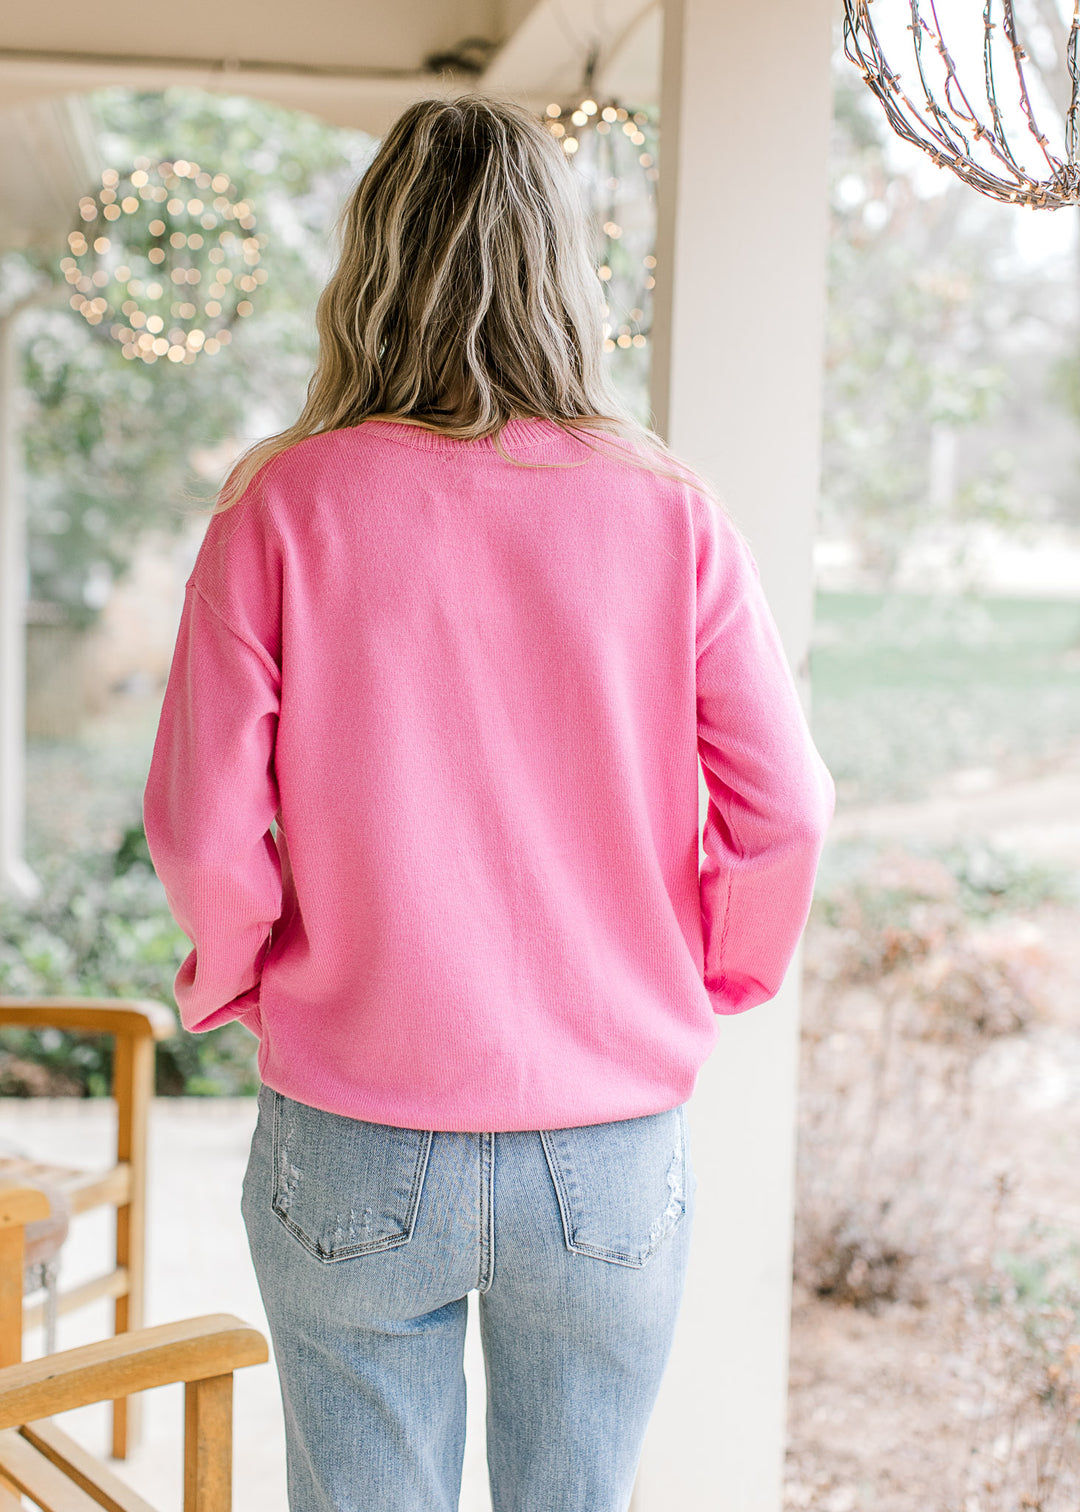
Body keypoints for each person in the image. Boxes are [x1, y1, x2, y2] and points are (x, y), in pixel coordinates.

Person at [143, 94, 835, 1512]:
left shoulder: (279, 507)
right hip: (608, 1144)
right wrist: (707, 976)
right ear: (568, 271)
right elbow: (787, 815)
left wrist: (242, 986)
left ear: (370, 263)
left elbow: (202, 831)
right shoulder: (669, 512)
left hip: (351, 1121)